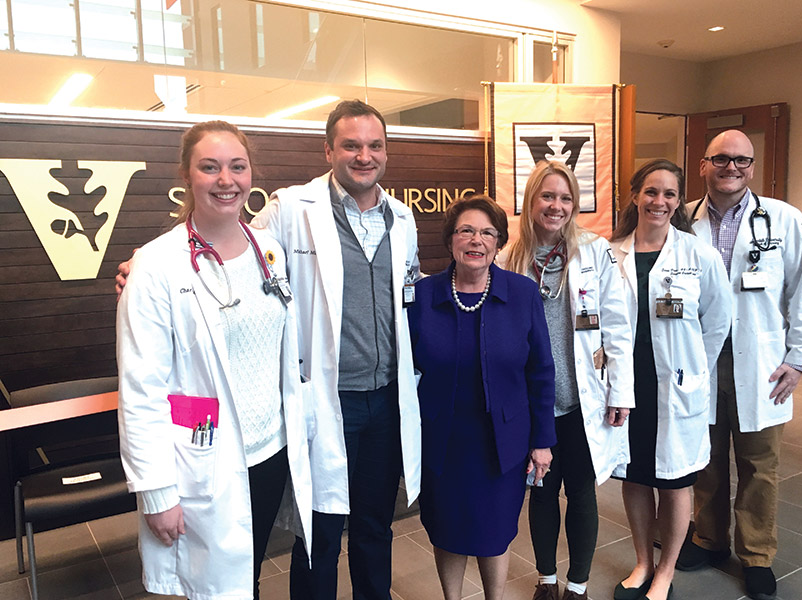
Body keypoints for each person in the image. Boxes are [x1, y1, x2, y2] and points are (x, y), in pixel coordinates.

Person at [117, 120, 311, 599]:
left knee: (248, 575)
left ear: (251, 175)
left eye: (237, 167)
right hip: (202, 459)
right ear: (186, 175)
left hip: (270, 452)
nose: (226, 180)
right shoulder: (156, 265)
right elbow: (142, 388)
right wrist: (156, 491)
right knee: (212, 588)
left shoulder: (269, 250)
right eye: (210, 167)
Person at [250, 100, 421, 600]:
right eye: (351, 145)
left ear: (386, 152)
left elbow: (411, 293)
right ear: (329, 150)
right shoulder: (289, 209)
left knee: (374, 525)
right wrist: (148, 262)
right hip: (327, 399)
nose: (363, 156)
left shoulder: (402, 218)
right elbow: (233, 255)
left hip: (386, 398)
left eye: (374, 146)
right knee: (319, 530)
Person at [676, 130, 802, 600]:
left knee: (760, 464)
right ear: (704, 165)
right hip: (700, 358)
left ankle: (756, 555)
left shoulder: (782, 219)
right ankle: (709, 539)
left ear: (752, 167)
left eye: (741, 160)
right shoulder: (682, 220)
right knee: (707, 460)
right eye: (721, 159)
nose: (730, 167)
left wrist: (799, 358)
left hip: (762, 364)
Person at [407, 195, 556, 600]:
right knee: (447, 529)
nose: (476, 240)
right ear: (451, 240)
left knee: (495, 532)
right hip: (442, 440)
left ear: (498, 242)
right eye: (466, 231)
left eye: (487, 232)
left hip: (502, 442)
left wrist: (542, 441)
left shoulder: (522, 293)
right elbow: (404, 371)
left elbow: (541, 371)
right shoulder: (422, 296)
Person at [499, 160, 634, 600]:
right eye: (548, 196)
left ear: (574, 205)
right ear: (531, 201)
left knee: (580, 492)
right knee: (540, 492)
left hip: (581, 400)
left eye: (565, 198)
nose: (556, 206)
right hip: (534, 404)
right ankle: (546, 580)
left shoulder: (594, 252)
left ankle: (577, 586)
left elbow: (617, 325)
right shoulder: (509, 258)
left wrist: (622, 391)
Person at [609, 159, 731, 600]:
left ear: (679, 202)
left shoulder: (699, 254)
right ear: (636, 195)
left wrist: (695, 369)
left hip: (678, 387)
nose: (659, 201)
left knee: (676, 480)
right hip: (628, 384)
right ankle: (642, 561)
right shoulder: (612, 252)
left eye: (669, 194)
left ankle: (665, 571)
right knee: (636, 476)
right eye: (651, 191)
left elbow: (717, 320)